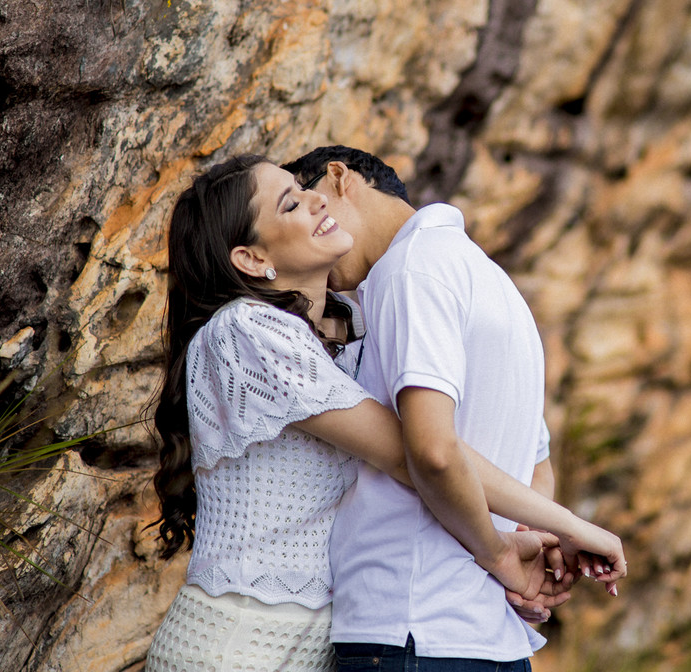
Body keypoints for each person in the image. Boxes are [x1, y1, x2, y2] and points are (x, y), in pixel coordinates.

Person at [146, 155, 624, 671]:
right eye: (292, 201)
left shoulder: (354, 326)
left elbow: (493, 446)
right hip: (237, 644)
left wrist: (529, 538)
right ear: (251, 258)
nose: (316, 199)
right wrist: (544, 535)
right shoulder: (243, 333)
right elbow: (414, 453)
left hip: (317, 648)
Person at [282, 147, 620, 672]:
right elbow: (538, 465)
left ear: (339, 177)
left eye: (307, 206)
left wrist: (501, 555)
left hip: (411, 625)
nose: (314, 245)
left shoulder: (410, 269)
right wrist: (529, 549)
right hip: (489, 638)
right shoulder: (494, 283)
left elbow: (434, 450)